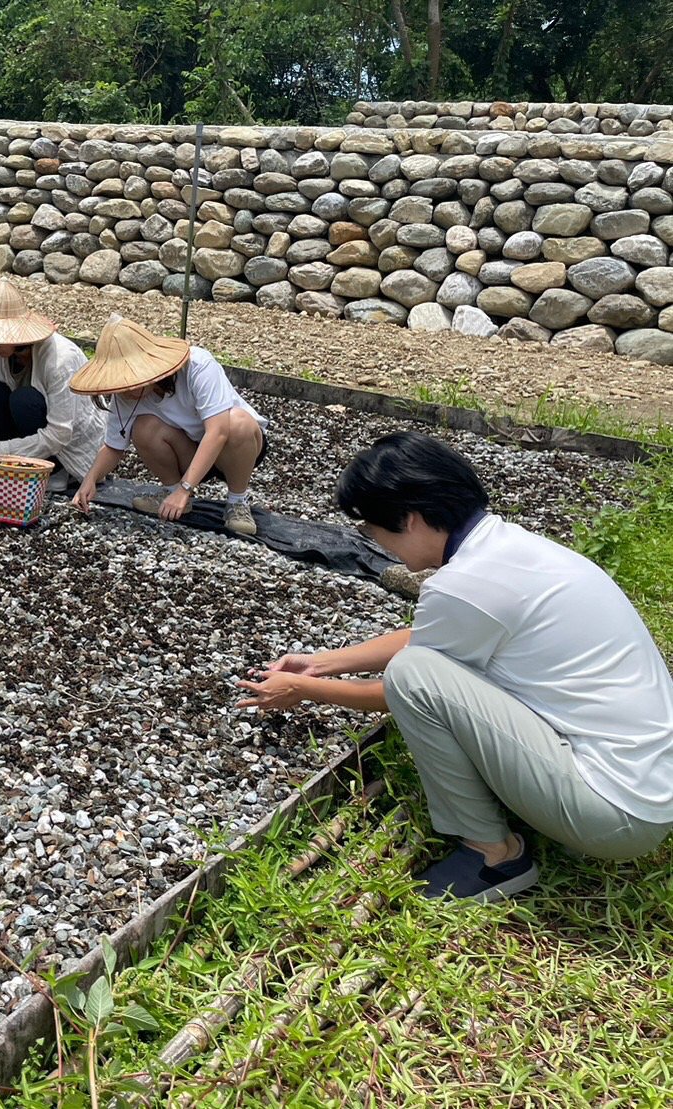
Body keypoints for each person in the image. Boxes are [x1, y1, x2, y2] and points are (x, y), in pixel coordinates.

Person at [237, 432, 673, 903]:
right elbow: (440, 632)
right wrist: (323, 663)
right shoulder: (509, 548)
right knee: (421, 667)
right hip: (648, 784)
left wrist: (305, 691)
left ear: (410, 519)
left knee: (412, 674)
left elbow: (403, 688)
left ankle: (494, 856)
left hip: (614, 814)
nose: (376, 543)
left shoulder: (467, 583)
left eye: (371, 530)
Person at [70, 315, 267, 536]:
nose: (128, 391)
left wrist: (186, 488)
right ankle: (171, 492)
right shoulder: (124, 395)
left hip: (235, 449)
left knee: (237, 422)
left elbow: (218, 432)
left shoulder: (198, 365)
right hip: (189, 448)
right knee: (143, 427)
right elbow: (114, 445)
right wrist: (89, 480)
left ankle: (237, 501)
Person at [0, 277, 104, 490]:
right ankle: (16, 463)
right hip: (29, 433)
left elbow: (60, 434)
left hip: (68, 449)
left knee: (24, 399)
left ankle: (53, 470)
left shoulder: (61, 359)